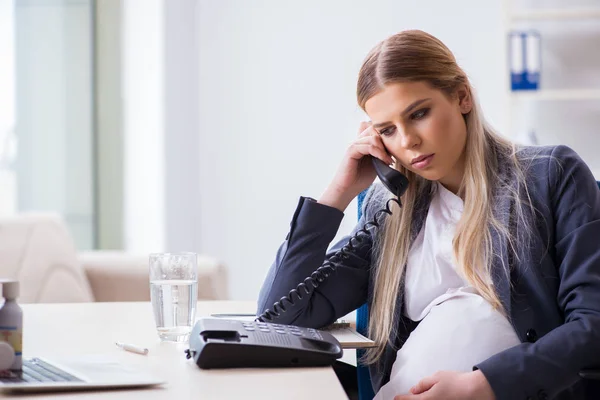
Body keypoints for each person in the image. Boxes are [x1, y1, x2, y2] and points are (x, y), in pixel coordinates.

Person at [256, 30, 600, 400]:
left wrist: (485, 384)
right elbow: (281, 318)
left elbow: (593, 325)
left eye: (418, 114)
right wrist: (337, 194)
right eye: (387, 130)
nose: (407, 141)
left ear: (462, 97)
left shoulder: (550, 175)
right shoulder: (391, 212)